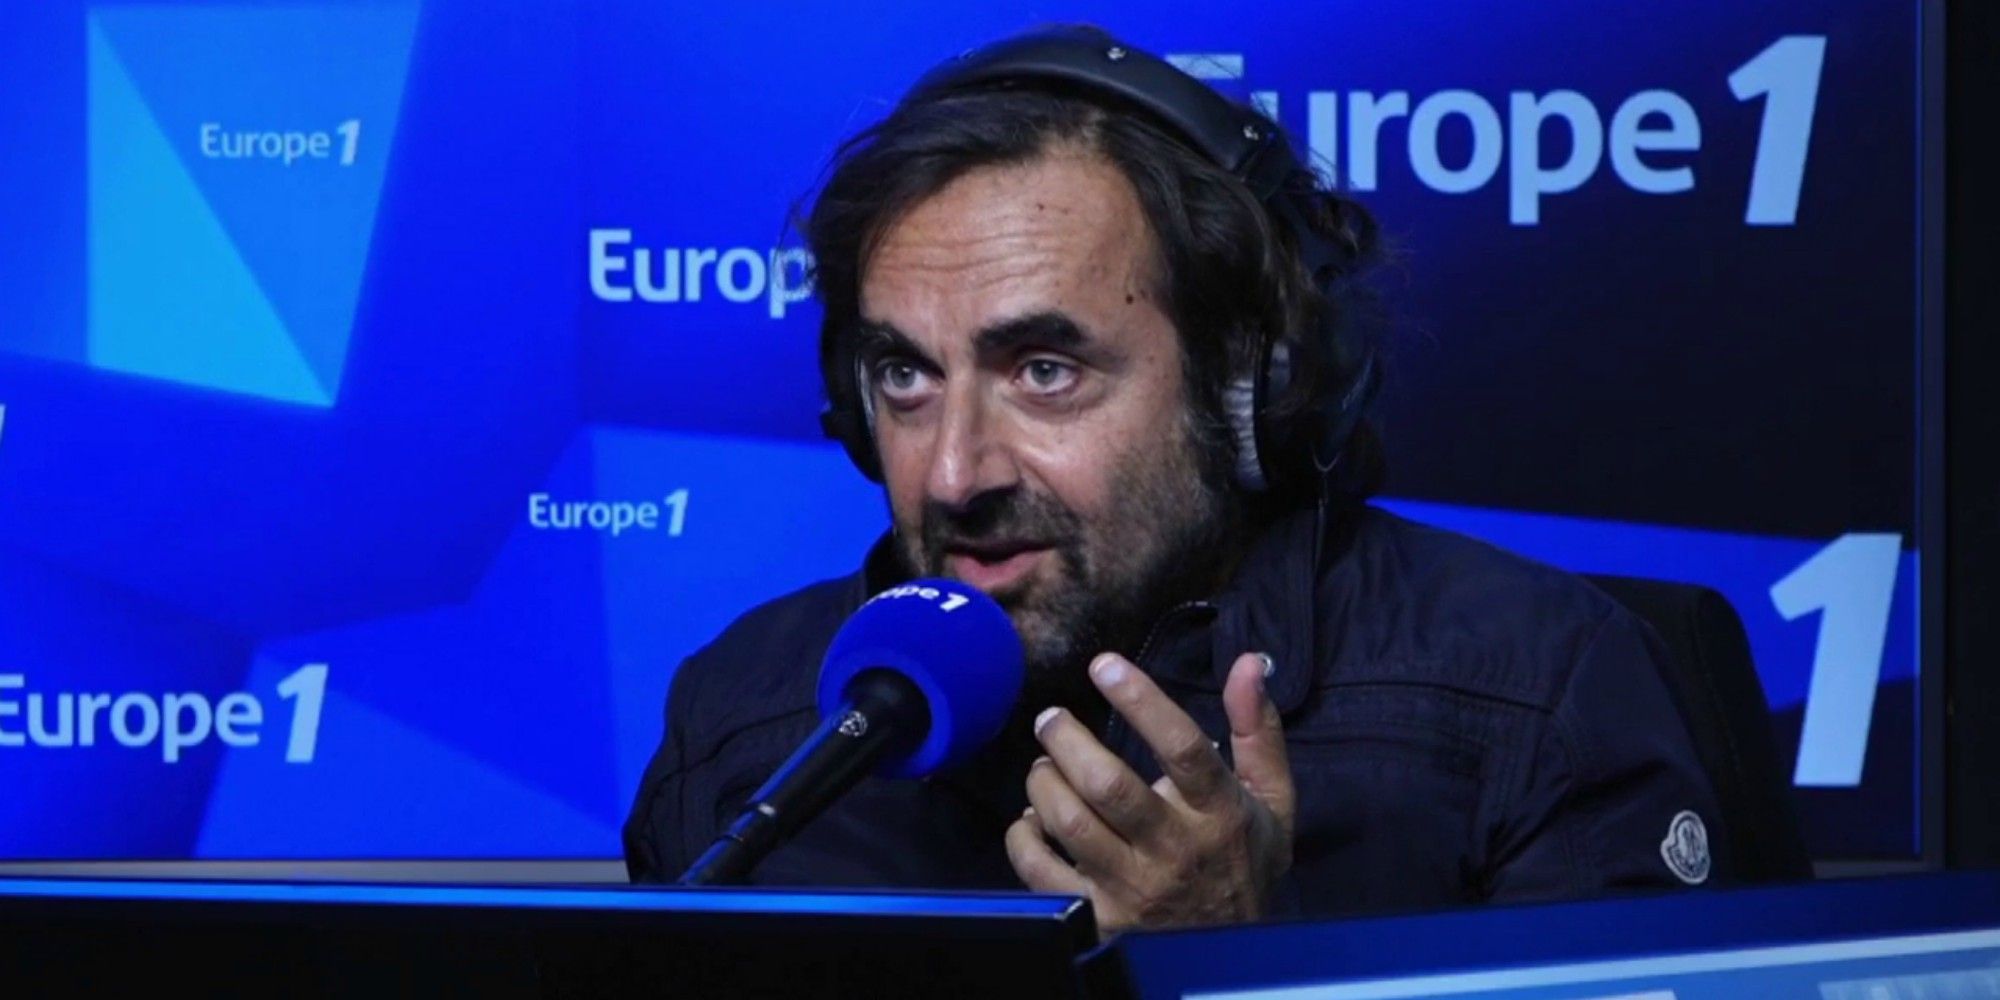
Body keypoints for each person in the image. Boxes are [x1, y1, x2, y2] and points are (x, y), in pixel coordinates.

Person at [623, 27, 1727, 932]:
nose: (955, 474)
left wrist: (1231, 961)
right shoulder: (745, 728)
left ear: (1244, 389)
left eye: (1044, 371)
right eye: (906, 375)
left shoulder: (1536, 696)